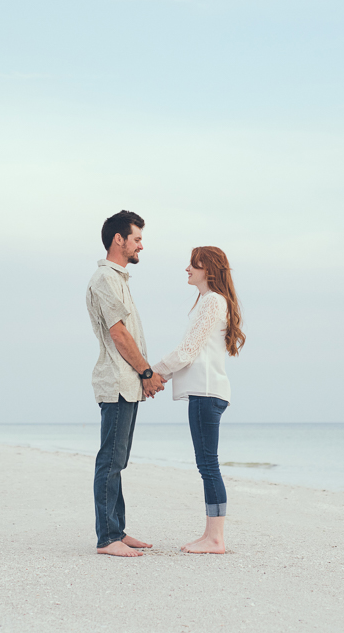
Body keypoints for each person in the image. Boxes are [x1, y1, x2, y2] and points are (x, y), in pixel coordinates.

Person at [152, 246, 245, 554]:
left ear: (210, 270)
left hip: (207, 393)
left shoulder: (213, 302)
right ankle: (210, 535)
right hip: (206, 392)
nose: (187, 269)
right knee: (206, 464)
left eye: (194, 264)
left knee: (208, 464)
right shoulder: (210, 302)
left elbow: (187, 352)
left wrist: (151, 373)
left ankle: (216, 539)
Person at [85, 210, 167, 558]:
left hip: (127, 383)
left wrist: (144, 376)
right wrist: (147, 373)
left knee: (119, 460)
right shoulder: (105, 280)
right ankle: (107, 539)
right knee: (110, 460)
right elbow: (119, 334)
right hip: (117, 381)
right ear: (119, 240)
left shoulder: (119, 279)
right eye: (136, 239)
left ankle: (116, 530)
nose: (141, 246)